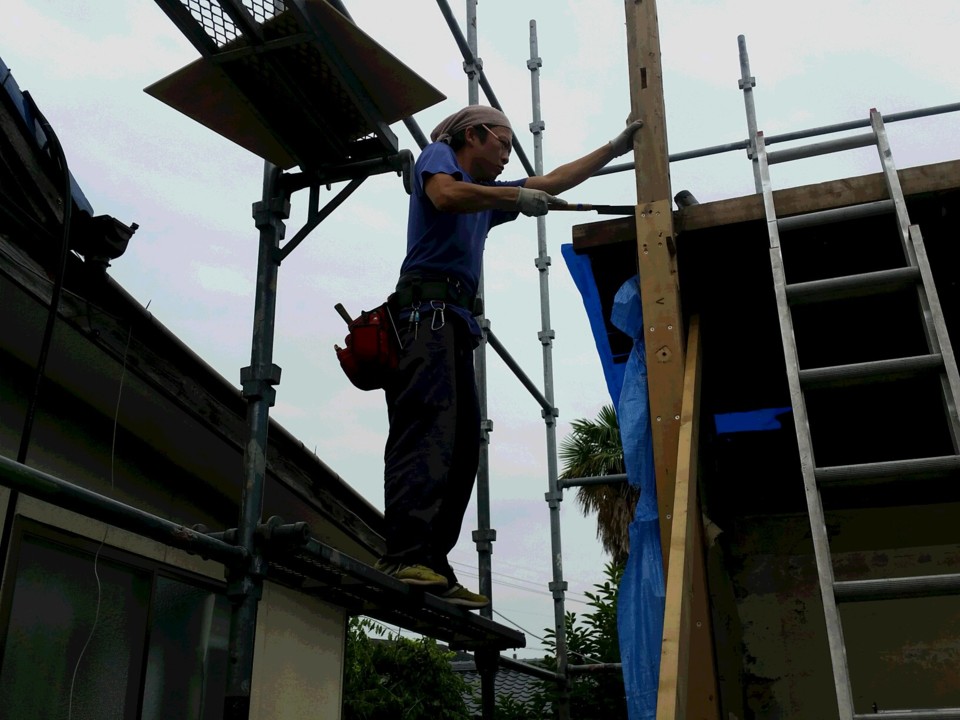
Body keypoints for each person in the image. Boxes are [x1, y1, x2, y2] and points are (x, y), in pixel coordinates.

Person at [376, 105, 642, 608]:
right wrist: (515, 196)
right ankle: (404, 554)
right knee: (426, 432)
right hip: (425, 318)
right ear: (473, 135)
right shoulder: (439, 157)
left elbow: (551, 181)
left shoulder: (485, 199)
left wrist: (614, 148)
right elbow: (444, 194)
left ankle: (431, 563)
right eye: (503, 144)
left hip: (451, 324)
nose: (506, 157)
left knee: (460, 449)